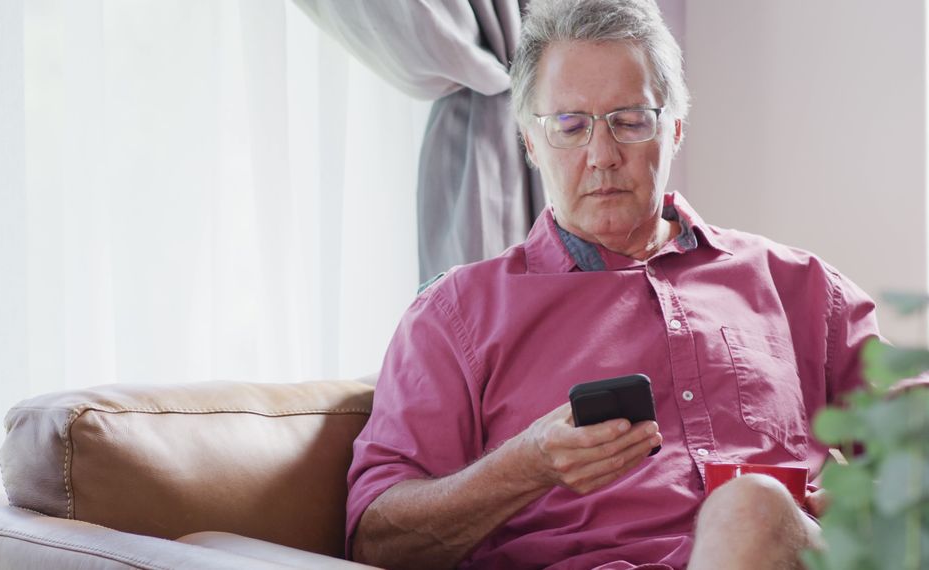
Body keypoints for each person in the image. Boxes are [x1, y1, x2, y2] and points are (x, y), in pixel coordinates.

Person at [344, 0, 881, 568]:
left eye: (629, 121)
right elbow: (377, 541)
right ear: (530, 142)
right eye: (570, 126)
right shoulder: (455, 315)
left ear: (674, 129)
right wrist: (526, 466)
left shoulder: (796, 284)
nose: (602, 156)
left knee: (752, 508)